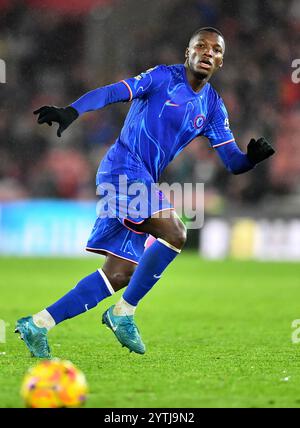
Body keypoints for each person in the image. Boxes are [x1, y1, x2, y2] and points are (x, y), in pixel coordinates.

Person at [15, 27, 275, 357]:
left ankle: (37, 324)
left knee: (121, 273)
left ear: (221, 61)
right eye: (201, 46)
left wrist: (251, 158)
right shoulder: (161, 78)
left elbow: (233, 162)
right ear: (188, 53)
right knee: (176, 231)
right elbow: (113, 92)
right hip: (122, 168)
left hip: (143, 180)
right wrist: (72, 110)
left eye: (216, 50)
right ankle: (123, 313)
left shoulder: (212, 107)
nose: (208, 53)